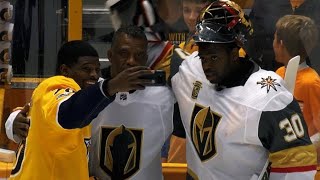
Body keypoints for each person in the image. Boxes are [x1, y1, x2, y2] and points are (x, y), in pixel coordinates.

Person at [171, 1, 317, 179]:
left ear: (235, 53)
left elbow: (299, 166)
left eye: (214, 56)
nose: (206, 64)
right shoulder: (190, 69)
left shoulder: (269, 96)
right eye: (203, 54)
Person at [8, 40, 154, 180]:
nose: (94, 75)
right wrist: (110, 87)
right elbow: (68, 114)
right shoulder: (56, 86)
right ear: (65, 70)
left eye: (97, 69)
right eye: (86, 69)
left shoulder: (80, 95)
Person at [89, 25, 175, 180]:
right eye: (124, 53)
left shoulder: (165, 96)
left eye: (139, 55)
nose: (131, 61)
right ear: (110, 55)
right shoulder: (91, 94)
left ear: (146, 59)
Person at [273, 15, 320, 164]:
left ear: (281, 44)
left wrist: (302, 149)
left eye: (274, 39)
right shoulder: (278, 74)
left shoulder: (311, 82)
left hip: (305, 164)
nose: (272, 43)